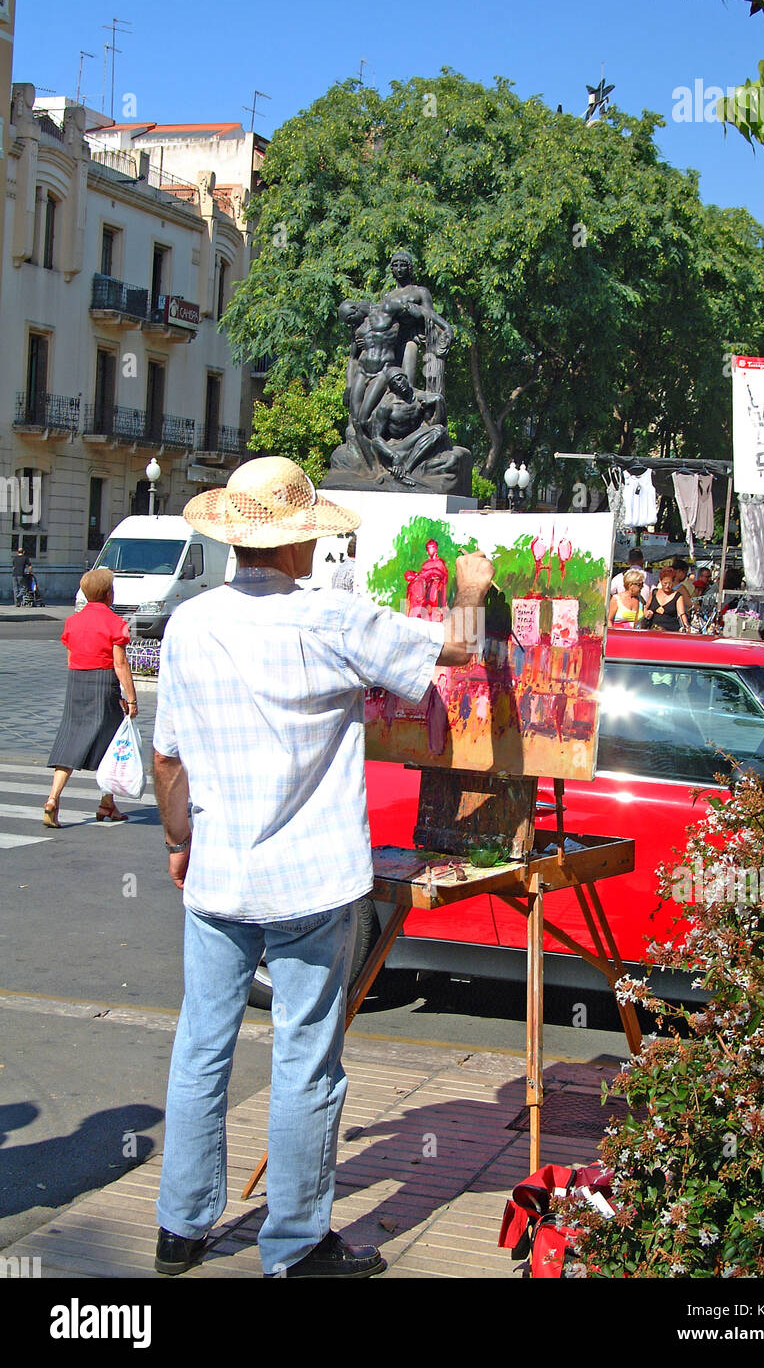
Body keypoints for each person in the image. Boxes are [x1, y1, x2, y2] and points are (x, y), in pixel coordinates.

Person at [151, 455, 493, 1279]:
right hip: (309, 881)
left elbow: (167, 762)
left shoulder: (189, 624)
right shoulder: (332, 621)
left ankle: (180, 1228)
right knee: (305, 1056)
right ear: (302, 543)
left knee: (202, 1045)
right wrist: (476, 589)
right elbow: (452, 650)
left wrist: (177, 843)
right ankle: (296, 1243)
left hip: (220, 875)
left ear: (237, 540)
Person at [44, 567, 138, 828]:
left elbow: (70, 657)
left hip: (77, 683)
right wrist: (131, 698)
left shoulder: (73, 621)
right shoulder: (114, 623)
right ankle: (106, 803)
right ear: (109, 594)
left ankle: (54, 799)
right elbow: (120, 664)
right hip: (102, 684)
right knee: (111, 743)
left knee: (70, 739)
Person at [643, 567, 691, 632]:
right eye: (665, 583)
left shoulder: (678, 596)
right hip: (652, 630)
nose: (667, 586)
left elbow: (681, 615)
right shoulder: (654, 592)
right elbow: (646, 607)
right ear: (660, 580)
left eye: (670, 583)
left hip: (670, 631)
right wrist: (646, 613)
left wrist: (686, 627)